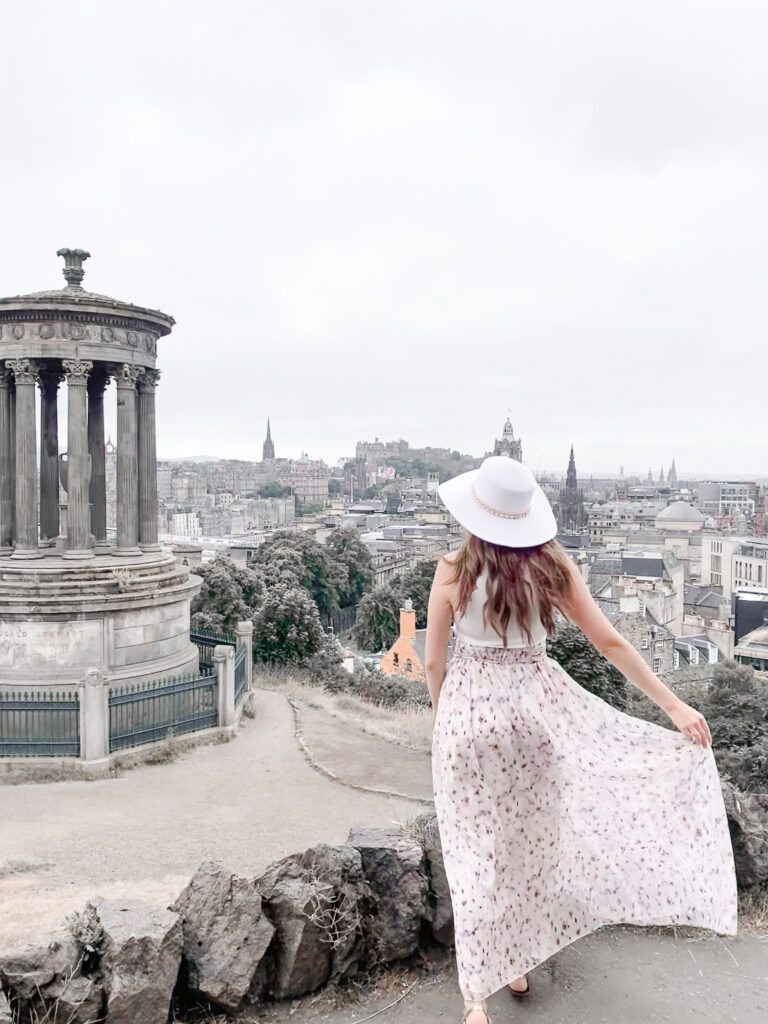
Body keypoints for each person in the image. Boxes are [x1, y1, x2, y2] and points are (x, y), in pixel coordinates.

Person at [426, 456, 738, 1024]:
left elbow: (432, 663)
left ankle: (475, 996)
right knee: (528, 847)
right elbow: (612, 644)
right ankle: (514, 964)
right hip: (537, 722)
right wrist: (673, 705)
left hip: (468, 723)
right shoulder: (554, 569)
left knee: (473, 855)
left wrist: (441, 719)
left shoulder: (452, 570)